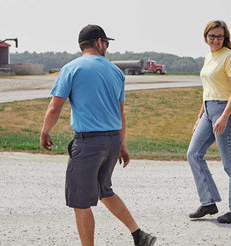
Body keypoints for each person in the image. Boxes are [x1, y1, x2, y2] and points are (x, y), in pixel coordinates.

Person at [39, 24, 157, 246]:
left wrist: (45, 131)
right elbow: (120, 113)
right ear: (98, 42)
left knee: (80, 201)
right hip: (111, 140)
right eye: (107, 43)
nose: (107, 47)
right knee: (104, 190)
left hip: (88, 143)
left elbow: (55, 107)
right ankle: (139, 235)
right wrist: (122, 145)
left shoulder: (72, 68)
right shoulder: (115, 71)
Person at [186, 20, 231, 224]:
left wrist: (224, 117)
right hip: (208, 110)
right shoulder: (209, 56)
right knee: (193, 154)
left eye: (219, 36)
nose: (215, 40)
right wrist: (200, 116)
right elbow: (208, 89)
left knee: (229, 161)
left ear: (225, 38)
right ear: (205, 36)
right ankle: (208, 202)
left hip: (227, 110)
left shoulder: (229, 57)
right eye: (212, 36)